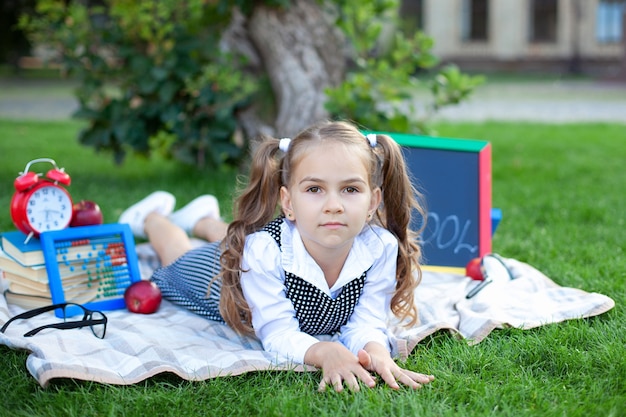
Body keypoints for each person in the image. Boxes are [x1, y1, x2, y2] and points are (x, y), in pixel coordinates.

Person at [118, 120, 435, 392]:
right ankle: (153, 218)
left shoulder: (380, 247)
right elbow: (278, 332)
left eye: (350, 189)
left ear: (372, 201)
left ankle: (202, 219)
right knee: (180, 254)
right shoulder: (264, 252)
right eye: (314, 190)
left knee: (238, 240)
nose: (334, 205)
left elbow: (365, 320)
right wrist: (324, 351)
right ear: (288, 203)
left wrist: (375, 350)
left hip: (263, 254)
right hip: (221, 282)